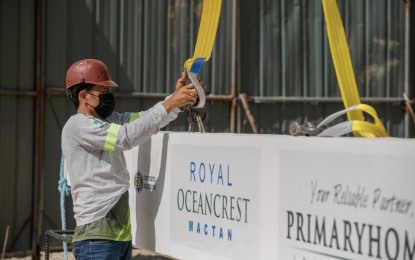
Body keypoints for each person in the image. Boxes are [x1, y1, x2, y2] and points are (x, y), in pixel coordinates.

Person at [61, 59, 198, 259]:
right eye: (104, 92)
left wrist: (176, 99)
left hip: (117, 234)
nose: (109, 96)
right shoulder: (79, 126)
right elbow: (125, 137)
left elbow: (147, 119)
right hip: (97, 236)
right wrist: (172, 102)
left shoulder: (109, 121)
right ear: (84, 96)